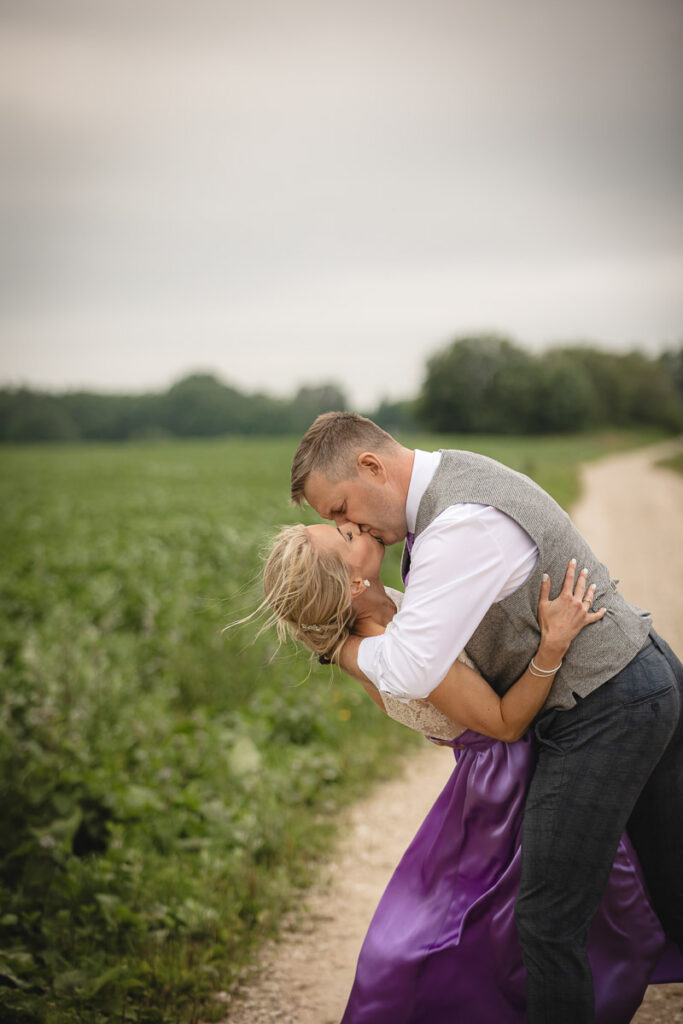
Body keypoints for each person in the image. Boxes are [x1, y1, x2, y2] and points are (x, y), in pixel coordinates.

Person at [289, 412, 683, 1024]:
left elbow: (414, 666)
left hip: (609, 704)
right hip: (623, 687)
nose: (348, 524)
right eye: (337, 524)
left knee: (549, 920)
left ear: (371, 466)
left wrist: (337, 649)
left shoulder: (459, 524)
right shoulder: (443, 497)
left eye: (341, 508)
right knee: (668, 884)